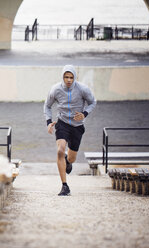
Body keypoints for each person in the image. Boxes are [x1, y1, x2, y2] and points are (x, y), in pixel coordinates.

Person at [44, 65, 96, 196]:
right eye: (66, 77)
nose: (68, 80)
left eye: (71, 77)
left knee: (72, 159)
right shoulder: (56, 89)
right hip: (62, 124)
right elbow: (47, 106)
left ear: (74, 78)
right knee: (60, 150)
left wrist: (85, 113)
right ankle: (64, 186)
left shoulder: (83, 89)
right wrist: (49, 122)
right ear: (62, 77)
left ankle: (68, 161)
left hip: (77, 126)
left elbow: (93, 102)